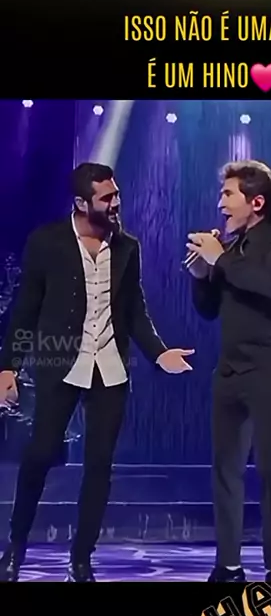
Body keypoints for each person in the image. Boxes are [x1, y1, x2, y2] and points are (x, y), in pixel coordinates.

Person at [0, 162, 194, 582]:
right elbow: (25, 309)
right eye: (107, 198)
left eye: (116, 194)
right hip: (61, 366)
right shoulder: (47, 242)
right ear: (81, 203)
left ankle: (81, 558)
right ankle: (15, 548)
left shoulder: (126, 247)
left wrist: (159, 353)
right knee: (39, 455)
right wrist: (7, 368)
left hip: (109, 369)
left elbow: (135, 310)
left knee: (99, 465)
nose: (116, 203)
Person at [186, 160, 271, 583]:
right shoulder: (230, 249)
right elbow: (209, 310)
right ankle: (229, 564)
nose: (220, 204)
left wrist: (219, 259)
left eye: (228, 195)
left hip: (270, 370)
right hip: (229, 370)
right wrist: (201, 275)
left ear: (256, 202)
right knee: (225, 470)